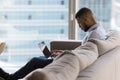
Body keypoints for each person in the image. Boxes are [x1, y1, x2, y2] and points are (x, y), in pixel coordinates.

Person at [0, 7, 106, 80]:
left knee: (35, 61)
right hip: (68, 59)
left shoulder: (94, 35)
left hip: (67, 64)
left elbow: (82, 56)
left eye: (79, 23)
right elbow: (83, 52)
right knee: (40, 57)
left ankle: (10, 77)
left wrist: (63, 56)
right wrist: (63, 52)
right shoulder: (97, 31)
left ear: (86, 19)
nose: (79, 26)